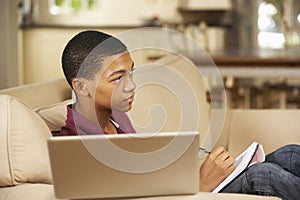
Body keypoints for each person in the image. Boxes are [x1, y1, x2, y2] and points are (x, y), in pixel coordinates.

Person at [59, 30, 300, 200]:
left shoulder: (117, 117)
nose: (131, 85)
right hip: (192, 194)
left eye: (131, 73)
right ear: (81, 86)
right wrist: (201, 184)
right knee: (263, 176)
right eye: (118, 78)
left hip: (182, 187)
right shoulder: (75, 145)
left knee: (289, 153)